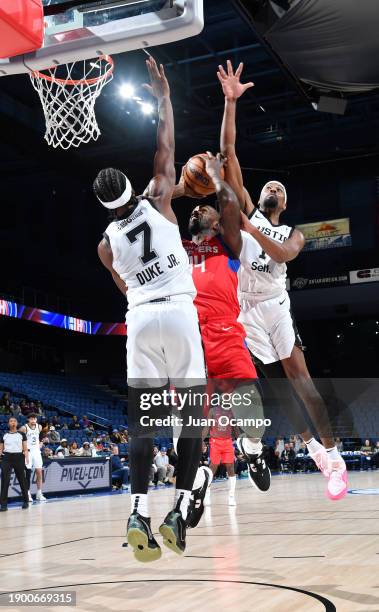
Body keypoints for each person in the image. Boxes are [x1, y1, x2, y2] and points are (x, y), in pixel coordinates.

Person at [217, 59, 348, 501]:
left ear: (284, 202)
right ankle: (311, 447)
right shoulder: (252, 210)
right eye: (267, 184)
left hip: (274, 303)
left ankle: (334, 453)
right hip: (245, 306)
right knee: (274, 389)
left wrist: (253, 231)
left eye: (278, 187)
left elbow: (284, 253)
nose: (271, 186)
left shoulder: (291, 231)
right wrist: (230, 103)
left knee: (300, 380)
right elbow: (229, 156)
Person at [94, 55, 206, 562]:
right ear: (131, 188)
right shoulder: (160, 195)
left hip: (138, 319)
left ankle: (137, 508)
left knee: (144, 422)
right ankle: (178, 512)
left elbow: (122, 286)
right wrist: (162, 93)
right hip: (178, 312)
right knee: (193, 419)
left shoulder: (105, 243)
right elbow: (166, 140)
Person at [177, 154, 271, 528]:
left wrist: (216, 178)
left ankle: (251, 449)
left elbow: (231, 204)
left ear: (217, 223)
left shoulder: (228, 244)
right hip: (189, 335)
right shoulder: (179, 245)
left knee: (253, 412)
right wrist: (185, 186)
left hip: (225, 331)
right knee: (193, 425)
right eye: (196, 209)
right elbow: (158, 203)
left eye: (207, 209)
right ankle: (199, 479)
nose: (201, 211)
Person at [203, 405, 239, 506]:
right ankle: (206, 494)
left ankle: (231, 497)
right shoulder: (212, 411)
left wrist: (240, 441)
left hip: (228, 442)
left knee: (231, 468)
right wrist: (201, 440)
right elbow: (207, 426)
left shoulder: (232, 411)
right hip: (215, 442)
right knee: (213, 467)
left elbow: (235, 427)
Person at [0, 417, 29, 510]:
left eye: (14, 421)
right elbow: (1, 449)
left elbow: (25, 448)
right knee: (5, 480)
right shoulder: (4, 435)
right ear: (8, 423)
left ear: (17, 423)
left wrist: (27, 457)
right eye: (11, 421)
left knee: (22, 479)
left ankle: (25, 501)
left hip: (19, 457)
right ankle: (3, 505)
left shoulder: (22, 434)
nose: (13, 422)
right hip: (6, 458)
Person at [18, 413, 46, 502]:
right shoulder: (24, 428)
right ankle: (28, 494)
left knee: (39, 472)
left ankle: (39, 493)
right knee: (28, 474)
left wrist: (41, 442)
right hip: (28, 452)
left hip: (36, 452)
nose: (33, 420)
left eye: (35, 418)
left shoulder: (40, 427)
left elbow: (41, 435)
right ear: (28, 419)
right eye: (31, 418)